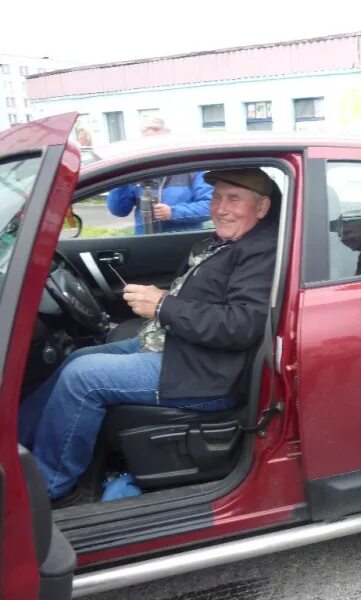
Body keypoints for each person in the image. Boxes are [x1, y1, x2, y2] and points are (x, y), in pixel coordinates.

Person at [19, 168, 281, 501]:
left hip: (207, 372)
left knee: (82, 378)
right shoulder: (232, 241)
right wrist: (166, 302)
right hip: (180, 345)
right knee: (78, 358)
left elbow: (241, 325)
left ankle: (46, 486)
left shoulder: (262, 251)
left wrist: (163, 306)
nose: (220, 207)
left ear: (261, 208)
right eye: (216, 197)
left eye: (234, 199)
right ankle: (15, 440)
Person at [107, 118, 213, 233]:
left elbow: (210, 207)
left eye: (160, 142)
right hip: (145, 243)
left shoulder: (191, 169)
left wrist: (172, 213)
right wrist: (120, 181)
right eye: (150, 143)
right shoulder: (136, 171)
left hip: (182, 243)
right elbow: (119, 211)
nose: (155, 148)